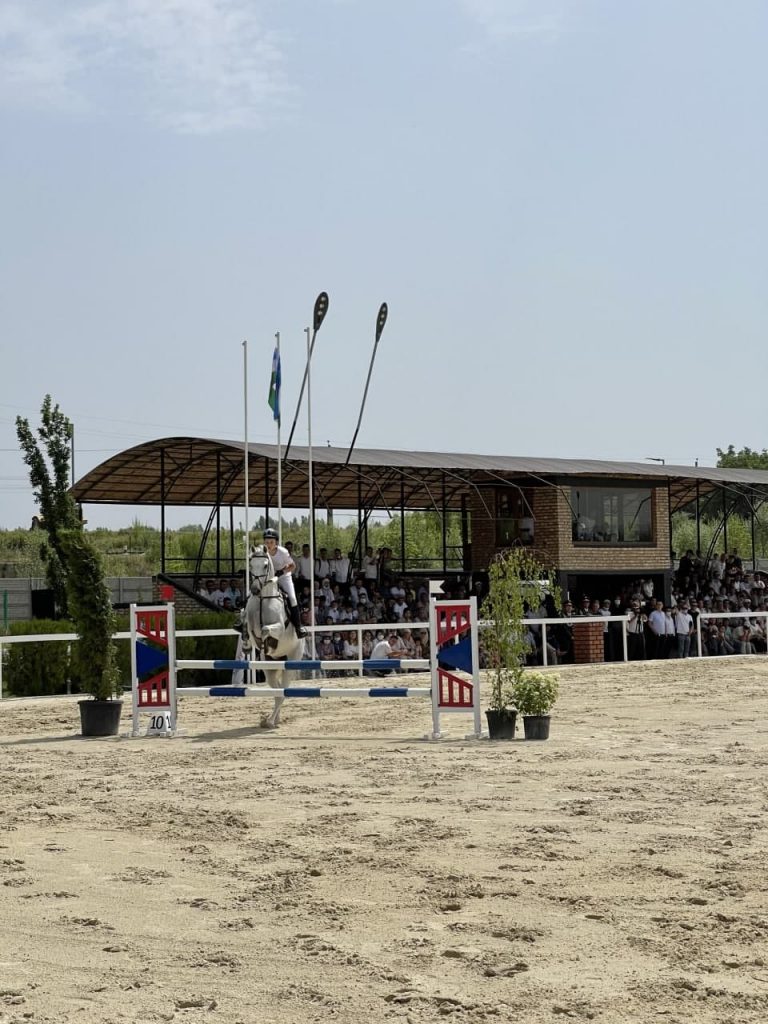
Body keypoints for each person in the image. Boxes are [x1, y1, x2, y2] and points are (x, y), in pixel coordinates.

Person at [260, 528, 307, 637]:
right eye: (267, 542)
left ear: (276, 542)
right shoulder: (262, 551)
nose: (269, 545)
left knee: (292, 598)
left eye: (271, 542)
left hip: (284, 577)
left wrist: (281, 572)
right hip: (268, 577)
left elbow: (293, 566)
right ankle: (243, 621)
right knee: (254, 592)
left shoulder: (283, 552)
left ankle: (298, 627)